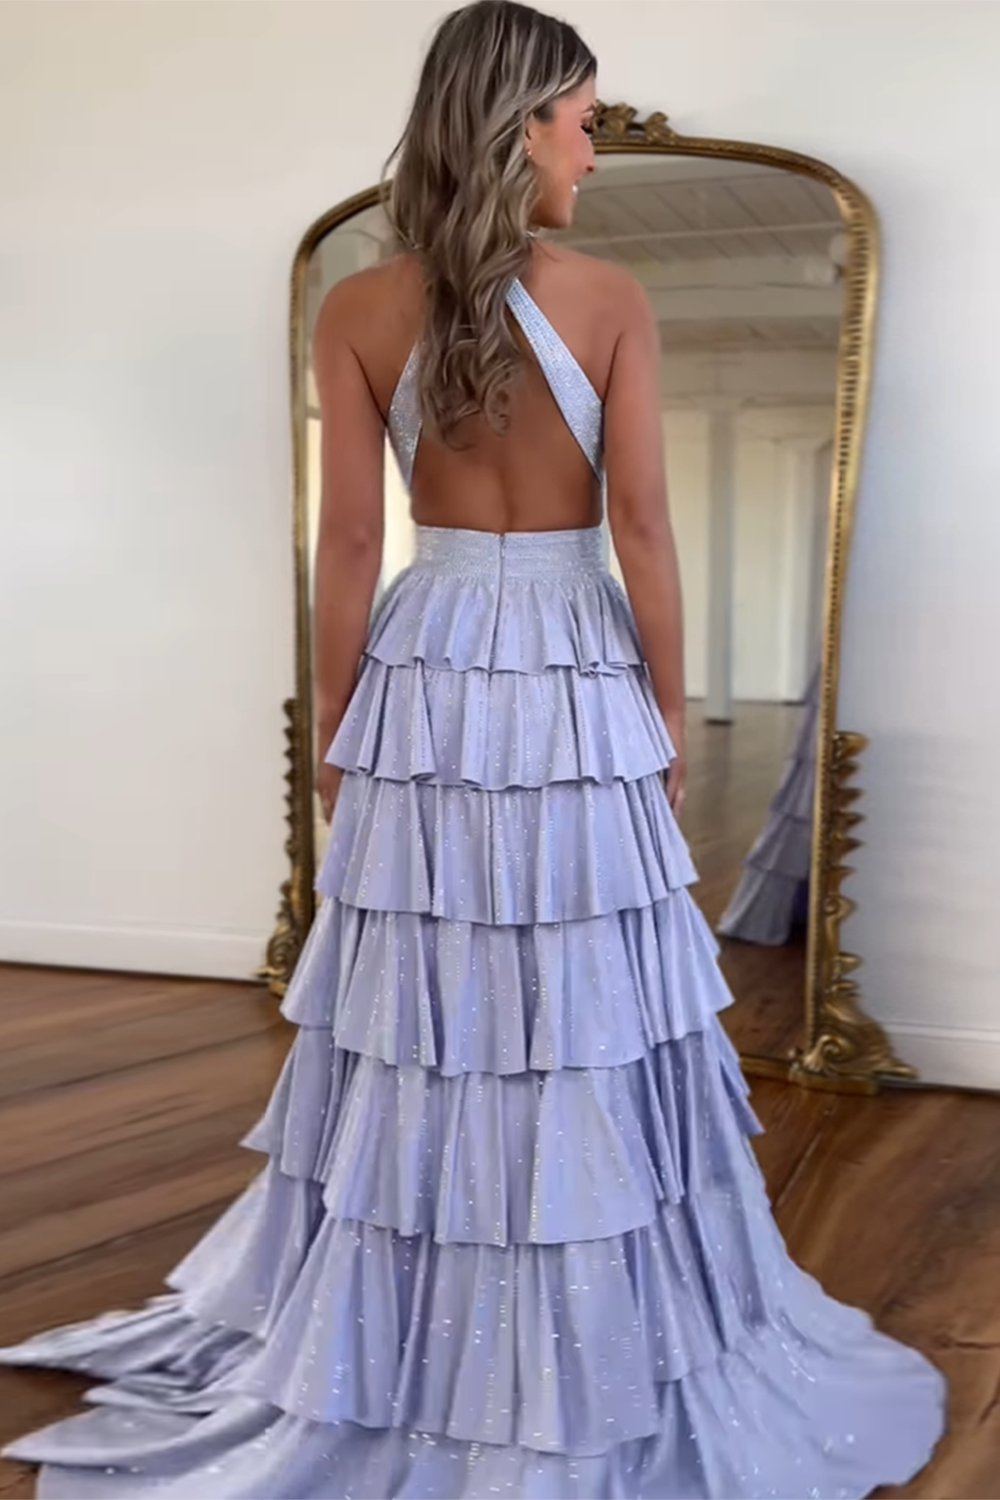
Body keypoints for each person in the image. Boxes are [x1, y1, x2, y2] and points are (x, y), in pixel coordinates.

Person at [1, 2, 945, 1495]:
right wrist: (664, 702)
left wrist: (337, 722)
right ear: (519, 127)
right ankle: (567, 1274)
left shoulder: (358, 304)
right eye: (580, 119)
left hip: (428, 655)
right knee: (580, 974)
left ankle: (412, 1303)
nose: (593, 149)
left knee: (428, 981)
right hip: (570, 654)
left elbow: (349, 543)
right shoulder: (608, 296)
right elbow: (643, 526)